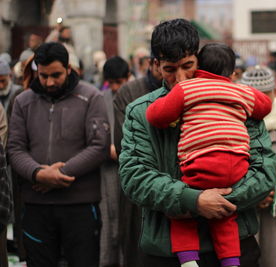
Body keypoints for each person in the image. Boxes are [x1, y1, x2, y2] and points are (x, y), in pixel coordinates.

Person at [119, 18, 276, 267]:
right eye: (170, 69)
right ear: (156, 66)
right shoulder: (142, 112)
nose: (181, 79)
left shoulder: (234, 101)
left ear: (199, 61)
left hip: (237, 245)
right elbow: (134, 178)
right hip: (168, 252)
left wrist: (220, 200)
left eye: (188, 66)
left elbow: (264, 171)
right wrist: (193, 200)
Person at [7, 42, 110, 266]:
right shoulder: (23, 102)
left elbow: (99, 147)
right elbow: (14, 148)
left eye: (56, 75)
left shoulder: (91, 98)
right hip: (37, 206)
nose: (49, 82)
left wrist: (60, 174)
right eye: (43, 76)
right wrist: (36, 173)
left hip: (80, 206)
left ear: (69, 69)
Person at [113, 55, 162, 267]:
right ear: (152, 63)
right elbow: (128, 145)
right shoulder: (129, 94)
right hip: (140, 196)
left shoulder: (190, 89)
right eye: (167, 66)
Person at [240, 66, 276, 267]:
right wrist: (253, 193)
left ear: (274, 92)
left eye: (264, 95)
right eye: (252, 95)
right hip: (244, 213)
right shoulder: (235, 121)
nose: (258, 101)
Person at [99, 56, 130, 267]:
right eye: (112, 83)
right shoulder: (100, 99)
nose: (117, 87)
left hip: (131, 169)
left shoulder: (138, 95)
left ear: (128, 78)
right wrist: (106, 147)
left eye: (120, 82)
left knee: (128, 222)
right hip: (107, 170)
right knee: (108, 221)